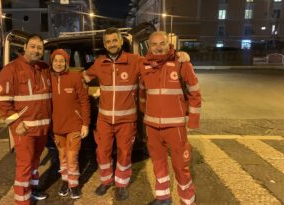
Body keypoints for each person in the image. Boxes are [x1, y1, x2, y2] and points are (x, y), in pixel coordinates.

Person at [139, 31, 201, 205]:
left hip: (175, 127)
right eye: (154, 44)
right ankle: (163, 198)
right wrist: (146, 114)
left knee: (181, 166)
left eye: (162, 43)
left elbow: (195, 92)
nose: (158, 48)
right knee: (158, 164)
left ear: (169, 43)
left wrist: (193, 121)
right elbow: (142, 94)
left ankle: (187, 201)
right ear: (148, 46)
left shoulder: (182, 64)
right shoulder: (143, 65)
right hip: (151, 127)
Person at [82, 27, 140, 201]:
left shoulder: (134, 60)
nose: (111, 44)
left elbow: (155, 63)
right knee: (102, 152)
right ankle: (106, 181)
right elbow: (82, 78)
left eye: (114, 40)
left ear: (121, 42)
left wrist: (178, 55)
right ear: (104, 44)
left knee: (124, 152)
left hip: (127, 120)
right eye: (108, 41)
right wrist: (56, 77)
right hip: (104, 120)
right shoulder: (99, 63)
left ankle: (121, 184)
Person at [0, 34, 52, 205]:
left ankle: (33, 190)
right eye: (33, 46)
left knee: (35, 161)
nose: (36, 50)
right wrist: (15, 123)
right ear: (25, 48)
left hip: (42, 128)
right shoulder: (11, 69)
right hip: (24, 128)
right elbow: (2, 101)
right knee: (25, 165)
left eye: (39, 47)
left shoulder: (44, 68)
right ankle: (22, 201)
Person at [49, 49, 90, 199]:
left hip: (74, 125)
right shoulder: (48, 79)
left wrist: (85, 123)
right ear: (51, 62)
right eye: (55, 60)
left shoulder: (75, 77)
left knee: (72, 157)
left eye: (62, 61)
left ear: (67, 63)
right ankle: (65, 182)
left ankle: (74, 185)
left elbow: (85, 102)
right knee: (62, 157)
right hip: (57, 127)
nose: (58, 63)